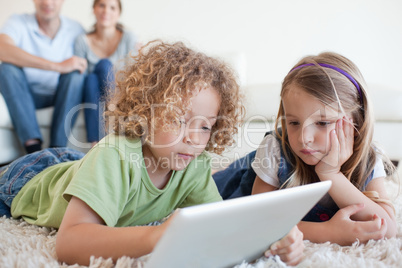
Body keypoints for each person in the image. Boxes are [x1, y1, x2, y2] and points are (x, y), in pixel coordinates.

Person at [0, 41, 304, 266]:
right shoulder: (115, 156)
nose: (193, 139)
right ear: (145, 113)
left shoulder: (194, 165)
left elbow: (220, 225)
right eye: (177, 120)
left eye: (205, 127)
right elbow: (69, 242)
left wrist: (275, 237)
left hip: (81, 168)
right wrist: (156, 237)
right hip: (33, 175)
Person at [213, 52, 398, 246]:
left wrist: (331, 174)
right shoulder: (276, 148)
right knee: (212, 184)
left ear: (356, 122)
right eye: (294, 122)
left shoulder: (369, 157)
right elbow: (258, 222)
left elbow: (388, 228)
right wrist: (328, 232)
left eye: (322, 123)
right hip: (240, 180)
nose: (304, 138)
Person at [0, 0, 87, 154]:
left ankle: (57, 151)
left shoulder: (76, 29)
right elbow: (3, 49)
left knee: (76, 76)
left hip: (61, 96)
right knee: (6, 69)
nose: (47, 2)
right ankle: (33, 150)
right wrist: (57, 66)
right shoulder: (18, 22)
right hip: (26, 95)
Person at [74, 0, 138, 146]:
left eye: (112, 8)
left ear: (118, 14)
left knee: (100, 69)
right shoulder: (82, 41)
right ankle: (114, 112)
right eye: (101, 5)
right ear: (94, 9)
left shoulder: (129, 37)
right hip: (93, 97)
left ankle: (96, 142)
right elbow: (79, 79)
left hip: (121, 93)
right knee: (91, 77)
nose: (106, 11)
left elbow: (134, 76)